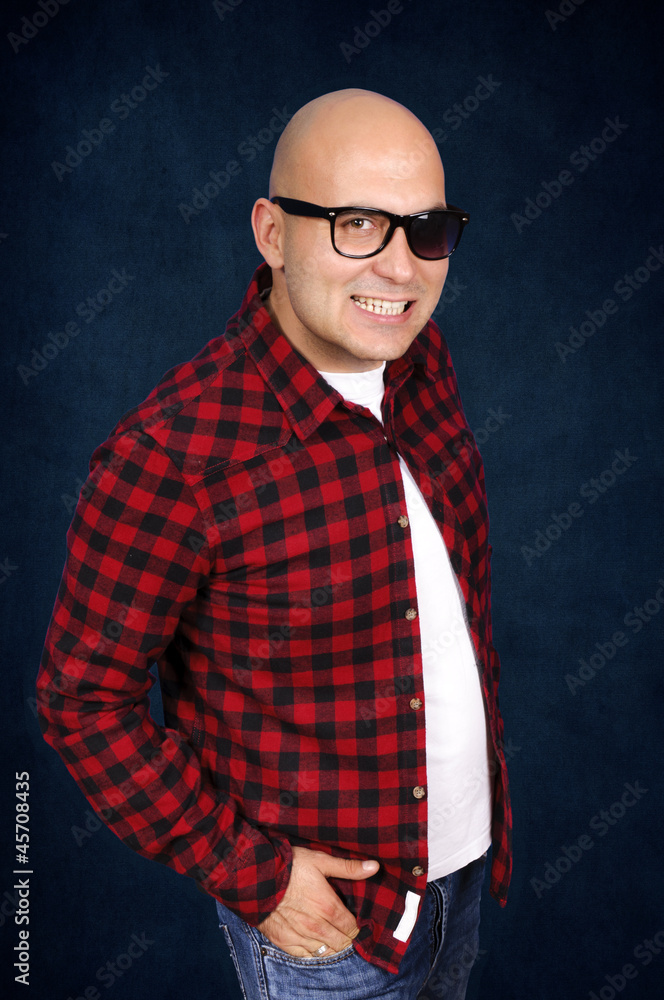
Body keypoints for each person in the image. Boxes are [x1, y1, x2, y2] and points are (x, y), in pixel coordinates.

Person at [36, 88, 512, 999]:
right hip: (332, 933)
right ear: (271, 232)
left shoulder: (422, 364)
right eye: (358, 224)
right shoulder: (171, 456)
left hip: (460, 880)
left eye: (427, 230)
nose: (401, 268)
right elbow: (81, 702)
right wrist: (254, 877)